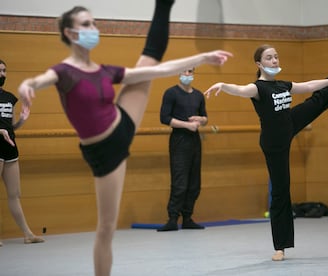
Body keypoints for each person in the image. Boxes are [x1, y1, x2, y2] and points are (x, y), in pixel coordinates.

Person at [17, 2, 232, 275]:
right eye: (85, 25)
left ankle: (163, 4)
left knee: (150, 61)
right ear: (70, 33)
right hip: (104, 152)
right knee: (106, 228)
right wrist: (27, 85)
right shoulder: (63, 72)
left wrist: (200, 58)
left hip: (123, 124)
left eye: (93, 23)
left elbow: (159, 72)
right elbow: (38, 80)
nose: (93, 29)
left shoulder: (105, 71)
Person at [204, 44, 328, 262]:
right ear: (259, 64)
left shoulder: (283, 85)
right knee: (281, 191)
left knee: (317, 101)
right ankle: (280, 247)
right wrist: (222, 84)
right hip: (274, 141)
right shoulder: (258, 88)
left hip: (290, 123)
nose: (275, 60)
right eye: (269, 58)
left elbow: (309, 85)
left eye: (276, 57)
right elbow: (240, 89)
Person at [0, 59, 45, 247]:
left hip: (10, 147)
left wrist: (21, 121)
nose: (2, 74)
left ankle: (27, 234)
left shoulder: (10, 98)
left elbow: (10, 127)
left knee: (14, 193)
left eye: (4, 70)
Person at [158, 68, 207, 231]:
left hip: (195, 140)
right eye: (184, 72)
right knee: (180, 181)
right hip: (179, 140)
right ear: (179, 74)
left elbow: (205, 117)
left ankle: (187, 217)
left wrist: (200, 120)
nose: (187, 74)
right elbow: (164, 118)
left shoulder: (198, 95)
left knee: (194, 182)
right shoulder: (171, 93)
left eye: (190, 71)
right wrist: (186, 125)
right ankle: (172, 218)